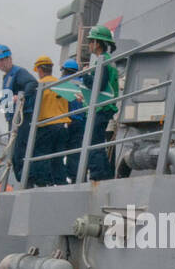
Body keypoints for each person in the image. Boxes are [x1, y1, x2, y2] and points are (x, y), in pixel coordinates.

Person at [0, 44, 41, 186]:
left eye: (3, 60)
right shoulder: (6, 78)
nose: (1, 64)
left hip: (22, 119)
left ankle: (28, 183)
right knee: (15, 156)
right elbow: (6, 97)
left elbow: (32, 83)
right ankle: (24, 183)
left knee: (19, 153)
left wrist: (20, 97)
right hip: (12, 121)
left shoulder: (19, 72)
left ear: (9, 58)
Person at [79, 26, 121, 181]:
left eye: (90, 41)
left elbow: (100, 85)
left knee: (93, 141)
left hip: (102, 108)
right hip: (104, 107)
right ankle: (105, 174)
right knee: (96, 141)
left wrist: (85, 76)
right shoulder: (106, 61)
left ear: (97, 43)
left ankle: (98, 175)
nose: (89, 44)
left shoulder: (102, 61)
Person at [30, 55, 74, 186]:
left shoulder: (39, 86)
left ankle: (44, 184)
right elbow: (73, 100)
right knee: (57, 159)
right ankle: (61, 183)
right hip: (62, 126)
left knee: (41, 156)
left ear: (39, 69)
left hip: (46, 126)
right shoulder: (61, 84)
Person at [57, 58, 89, 181]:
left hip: (67, 121)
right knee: (76, 151)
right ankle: (79, 177)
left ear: (64, 71)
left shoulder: (62, 82)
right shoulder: (82, 83)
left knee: (60, 151)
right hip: (82, 121)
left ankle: (68, 176)